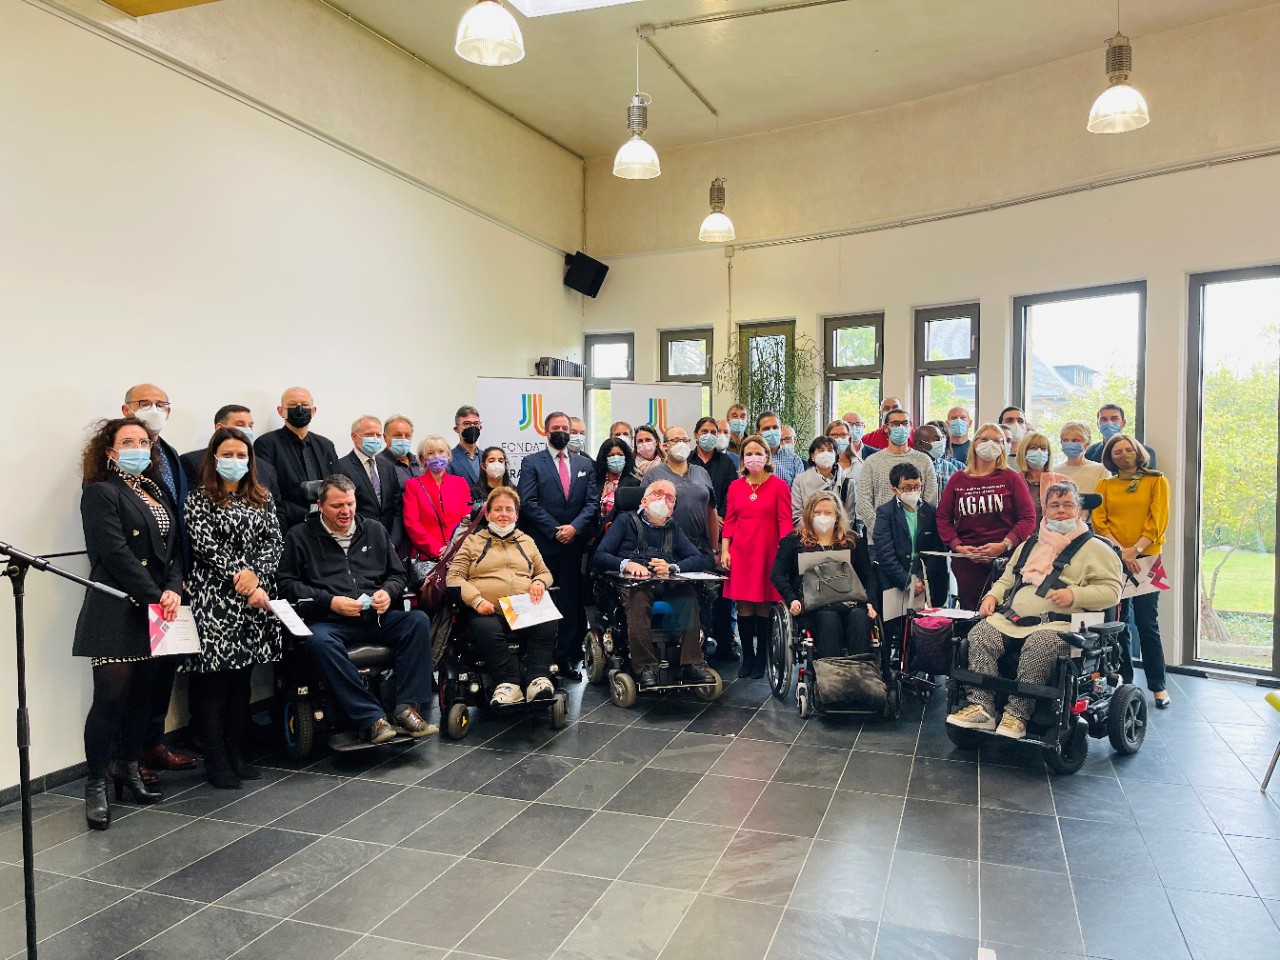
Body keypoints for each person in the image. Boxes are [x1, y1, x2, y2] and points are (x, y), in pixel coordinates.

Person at [947, 481, 1124, 738]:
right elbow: (1008, 580)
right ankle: (981, 707)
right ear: (1045, 509)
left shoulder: (1098, 548)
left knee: (1041, 642)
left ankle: (1017, 715)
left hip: (1068, 623)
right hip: (1015, 620)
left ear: (1078, 510)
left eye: (1067, 505)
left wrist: (1075, 594)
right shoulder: (1030, 545)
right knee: (980, 634)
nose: (1061, 511)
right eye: (1054, 505)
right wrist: (992, 596)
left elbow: (1112, 592)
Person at [74, 417, 179, 829]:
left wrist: (173, 587)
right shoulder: (99, 493)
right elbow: (115, 554)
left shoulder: (154, 490)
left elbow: (174, 552)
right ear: (110, 451)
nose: (139, 447)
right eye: (128, 441)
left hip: (156, 607)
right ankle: (97, 785)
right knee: (110, 700)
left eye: (144, 441)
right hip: (117, 608)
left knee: (144, 697)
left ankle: (132, 770)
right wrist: (157, 595)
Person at [277, 475, 437, 742]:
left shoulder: (373, 529)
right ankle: (371, 718)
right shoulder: (300, 536)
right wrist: (329, 601)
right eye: (337, 506)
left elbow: (397, 575)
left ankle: (406, 707)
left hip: (374, 617)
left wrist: (388, 592)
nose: (346, 511)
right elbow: (287, 585)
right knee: (318, 642)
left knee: (417, 621)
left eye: (350, 504)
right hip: (329, 621)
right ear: (320, 505)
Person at [184, 427, 283, 789]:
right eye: (228, 455)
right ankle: (216, 759)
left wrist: (255, 577)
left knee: (242, 681)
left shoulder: (261, 496)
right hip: (215, 598)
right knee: (215, 682)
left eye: (242, 455)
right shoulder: (199, 498)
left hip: (255, 598)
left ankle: (236, 753)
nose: (235, 461)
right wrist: (240, 575)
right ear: (213, 458)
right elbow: (205, 546)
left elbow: (274, 540)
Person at [120, 384, 196, 775]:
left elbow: (176, 524)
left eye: (160, 404)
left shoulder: (170, 456)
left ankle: (151, 744)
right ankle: (124, 755)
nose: (153, 410)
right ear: (125, 408)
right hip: (134, 590)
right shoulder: (109, 470)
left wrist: (175, 583)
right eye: (143, 404)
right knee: (131, 679)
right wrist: (151, 590)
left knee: (162, 671)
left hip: (171, 583)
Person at [593, 480, 715, 689]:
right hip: (633, 585)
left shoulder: (673, 529)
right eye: (658, 494)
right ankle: (646, 666)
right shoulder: (625, 521)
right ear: (644, 500)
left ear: (672, 510)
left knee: (687, 595)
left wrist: (673, 567)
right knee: (639, 598)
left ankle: (692, 662)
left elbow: (700, 559)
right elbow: (600, 555)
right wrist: (627, 564)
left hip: (665, 584)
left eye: (670, 498)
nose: (663, 500)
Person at [447, 488, 558, 706]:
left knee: (548, 620)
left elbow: (545, 573)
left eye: (509, 509)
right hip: (488, 608)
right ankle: (509, 682)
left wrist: (539, 582)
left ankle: (537, 678)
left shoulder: (526, 541)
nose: (503, 514)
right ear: (487, 514)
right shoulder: (472, 542)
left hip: (521, 607)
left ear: (517, 515)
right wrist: (476, 600)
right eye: (497, 509)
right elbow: (454, 577)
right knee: (484, 628)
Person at [518, 410, 600, 672]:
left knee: (569, 602)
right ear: (546, 431)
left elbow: (591, 503)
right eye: (556, 427)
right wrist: (555, 530)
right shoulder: (532, 463)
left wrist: (574, 528)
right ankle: (541, 660)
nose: (562, 432)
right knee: (543, 601)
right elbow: (528, 502)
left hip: (574, 545)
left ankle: (565, 657)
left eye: (566, 427)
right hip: (543, 545)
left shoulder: (584, 464)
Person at [1092, 435, 1171, 708]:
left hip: (1147, 559)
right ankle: (1123, 679)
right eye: (1117, 451)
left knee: (1148, 623)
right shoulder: (1104, 484)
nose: (1124, 454)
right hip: (1115, 559)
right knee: (1119, 622)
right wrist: (1121, 551)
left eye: (1128, 449)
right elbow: (1099, 521)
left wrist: (1135, 549)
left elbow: (1158, 519)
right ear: (1110, 457)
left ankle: (1158, 686)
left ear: (1138, 452)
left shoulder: (1156, 480)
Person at [935, 423, 1037, 609]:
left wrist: (1004, 545)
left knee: (1003, 610)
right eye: (984, 439)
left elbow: (1028, 518)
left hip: (1005, 559)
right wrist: (958, 547)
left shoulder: (1011, 478)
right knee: (972, 611)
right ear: (974, 444)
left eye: (996, 440)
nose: (990, 443)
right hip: (967, 562)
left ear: (1002, 447)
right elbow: (943, 518)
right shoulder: (958, 479)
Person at [771, 491, 878, 660]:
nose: (823, 517)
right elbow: (776, 574)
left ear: (837, 515)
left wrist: (871, 602)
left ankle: (860, 674)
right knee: (829, 619)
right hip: (814, 607)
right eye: (817, 512)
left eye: (828, 513)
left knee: (859, 617)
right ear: (809, 514)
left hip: (849, 602)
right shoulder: (793, 541)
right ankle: (829, 677)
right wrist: (792, 599)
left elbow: (868, 575)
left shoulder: (853, 541)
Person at [720, 436, 793, 678]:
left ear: (766, 456)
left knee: (763, 603)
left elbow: (784, 522)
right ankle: (747, 657)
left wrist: (785, 552)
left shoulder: (779, 486)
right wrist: (724, 550)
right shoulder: (736, 486)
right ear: (742, 459)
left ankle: (761, 656)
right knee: (742, 605)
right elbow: (729, 521)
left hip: (768, 551)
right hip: (741, 552)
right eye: (748, 454)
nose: (753, 457)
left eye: (758, 453)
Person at [255, 386, 340, 530]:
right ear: (281, 411)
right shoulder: (266, 444)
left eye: (305, 405)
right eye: (293, 405)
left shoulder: (325, 445)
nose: (299, 409)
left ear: (313, 411)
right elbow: (267, 492)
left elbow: (338, 482)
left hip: (328, 524)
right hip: (288, 525)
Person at [180, 404, 283, 520]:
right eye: (240, 425)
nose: (247, 430)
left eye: (250, 426)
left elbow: (278, 512)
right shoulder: (192, 462)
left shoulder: (266, 468)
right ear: (220, 428)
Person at [873, 463, 950, 617]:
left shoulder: (929, 511)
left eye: (917, 486)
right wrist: (908, 581)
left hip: (925, 581)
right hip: (895, 580)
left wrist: (921, 579)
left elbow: (936, 549)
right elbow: (885, 553)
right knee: (897, 631)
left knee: (924, 630)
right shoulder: (885, 513)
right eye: (907, 488)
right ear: (895, 489)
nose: (913, 491)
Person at [855, 408, 937, 541]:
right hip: (880, 540)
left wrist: (916, 528)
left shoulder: (924, 460)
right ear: (886, 428)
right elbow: (863, 502)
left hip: (916, 538)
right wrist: (882, 529)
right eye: (895, 424)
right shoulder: (872, 461)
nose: (901, 427)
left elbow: (931, 500)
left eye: (905, 423)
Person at [403, 434, 473, 566]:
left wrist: (453, 548)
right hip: (427, 558)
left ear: (448, 455)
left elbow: (467, 520)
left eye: (441, 451)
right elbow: (412, 524)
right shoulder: (413, 485)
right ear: (423, 459)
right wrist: (438, 550)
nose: (436, 456)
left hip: (459, 556)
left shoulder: (461, 483)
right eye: (430, 453)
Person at [337, 416, 403, 535]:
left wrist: (394, 540)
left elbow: (397, 507)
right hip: (359, 539)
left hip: (388, 540)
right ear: (354, 437)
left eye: (378, 435)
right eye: (369, 435)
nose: (375, 439)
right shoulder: (341, 467)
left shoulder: (388, 467)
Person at [378, 414, 420, 555]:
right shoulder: (379, 465)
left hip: (421, 534)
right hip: (394, 535)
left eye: (407, 436)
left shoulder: (419, 463)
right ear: (385, 437)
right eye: (397, 435)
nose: (403, 439)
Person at [791, 436, 856, 524]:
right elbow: (796, 516)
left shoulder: (847, 483)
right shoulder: (800, 481)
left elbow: (848, 518)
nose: (826, 454)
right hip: (807, 534)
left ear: (836, 455)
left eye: (830, 450)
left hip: (838, 535)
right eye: (821, 450)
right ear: (813, 456)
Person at [1056, 421, 1109, 526]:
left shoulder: (1101, 470)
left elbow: (1105, 505)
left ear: (1087, 443)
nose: (1070, 443)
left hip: (1094, 529)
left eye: (1075, 440)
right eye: (1065, 440)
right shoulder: (1054, 471)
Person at [1017, 431, 1070, 522]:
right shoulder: (1014, 482)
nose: (1039, 452)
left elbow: (1072, 513)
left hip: (1056, 534)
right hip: (1023, 535)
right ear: (1023, 452)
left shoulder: (1063, 481)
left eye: (1043, 448)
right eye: (1033, 448)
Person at [693, 416, 739, 519]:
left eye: (713, 432)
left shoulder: (727, 462)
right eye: (704, 431)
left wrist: (718, 516)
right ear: (695, 435)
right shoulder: (687, 461)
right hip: (693, 520)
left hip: (721, 523)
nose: (709, 435)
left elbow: (732, 492)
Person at [1086, 404, 1158, 468]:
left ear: (1123, 423)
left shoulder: (1145, 452)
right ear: (1098, 424)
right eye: (1104, 419)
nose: (1109, 423)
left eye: (1114, 419)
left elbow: (1149, 480)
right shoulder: (1089, 453)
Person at [594, 437, 641, 524]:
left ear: (626, 457)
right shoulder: (596, 480)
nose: (616, 458)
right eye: (611, 455)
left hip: (618, 532)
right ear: (604, 458)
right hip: (594, 534)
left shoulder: (633, 483)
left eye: (620, 455)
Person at [914, 421, 963, 502]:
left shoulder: (950, 468)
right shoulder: (909, 465)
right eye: (936, 439)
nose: (941, 443)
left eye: (942, 438)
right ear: (920, 443)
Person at [757, 411, 804, 486]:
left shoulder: (794, 460)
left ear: (781, 429)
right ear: (758, 432)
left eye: (775, 427)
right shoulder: (751, 457)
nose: (772, 431)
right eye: (766, 429)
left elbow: (800, 492)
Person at [447, 406, 483, 485]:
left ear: (480, 427)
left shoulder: (487, 457)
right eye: (467, 424)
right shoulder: (448, 459)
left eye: (476, 423)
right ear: (457, 429)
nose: (472, 427)